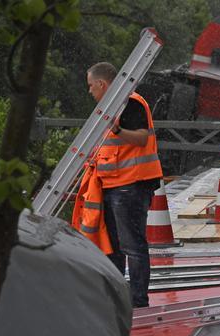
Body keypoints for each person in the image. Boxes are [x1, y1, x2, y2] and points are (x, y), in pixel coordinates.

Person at [74, 62, 162, 308]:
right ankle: (119, 296)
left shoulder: (129, 102)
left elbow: (141, 138)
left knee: (131, 245)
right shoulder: (109, 108)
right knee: (114, 245)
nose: (90, 92)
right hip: (114, 184)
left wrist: (118, 129)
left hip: (131, 184)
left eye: (91, 86)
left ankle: (136, 300)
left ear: (102, 84)